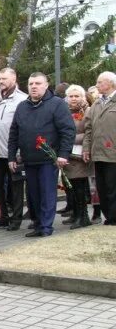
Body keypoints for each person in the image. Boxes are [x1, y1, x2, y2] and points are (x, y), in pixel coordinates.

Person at [8, 73, 75, 237]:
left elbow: (68, 131)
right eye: (31, 84)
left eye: (38, 83)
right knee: (33, 195)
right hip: (28, 159)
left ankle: (46, 227)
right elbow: (14, 132)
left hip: (48, 159)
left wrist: (63, 154)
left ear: (46, 85)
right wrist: (11, 156)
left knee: (47, 193)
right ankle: (37, 224)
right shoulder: (22, 106)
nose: (34, 86)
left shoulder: (57, 104)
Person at [0, 68, 28, 231]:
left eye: (4, 78)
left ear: (14, 78)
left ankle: (16, 219)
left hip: (13, 152)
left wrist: (18, 152)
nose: (1, 81)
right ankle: (1, 216)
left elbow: (23, 128)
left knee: (15, 187)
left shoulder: (22, 99)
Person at [83, 71, 116, 225]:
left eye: (100, 82)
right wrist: (86, 148)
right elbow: (88, 129)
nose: (97, 85)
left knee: (112, 187)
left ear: (110, 83)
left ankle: (113, 217)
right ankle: (109, 216)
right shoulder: (96, 104)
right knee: (102, 188)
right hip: (97, 153)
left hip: (113, 153)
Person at [63, 85, 93, 228]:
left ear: (82, 97)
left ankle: (84, 216)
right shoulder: (64, 112)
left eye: (77, 96)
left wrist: (70, 138)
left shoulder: (87, 111)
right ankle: (76, 213)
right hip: (68, 155)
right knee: (71, 186)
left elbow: (89, 132)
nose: (74, 99)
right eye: (71, 96)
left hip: (80, 155)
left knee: (80, 185)